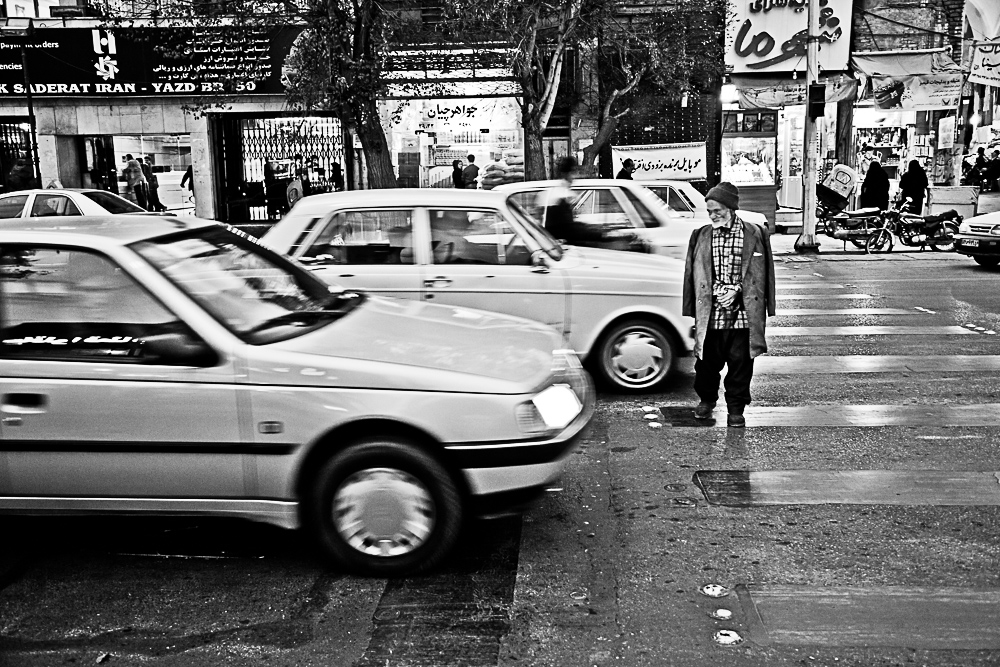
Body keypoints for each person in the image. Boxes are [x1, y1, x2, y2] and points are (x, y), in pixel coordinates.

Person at [682, 181, 775, 428]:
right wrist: (710, 295)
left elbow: (763, 275)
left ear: (731, 208)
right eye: (709, 211)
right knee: (706, 365)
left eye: (717, 211)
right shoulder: (700, 235)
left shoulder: (755, 234)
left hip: (743, 314)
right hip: (711, 313)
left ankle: (736, 409)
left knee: (741, 365)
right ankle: (707, 400)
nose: (712, 216)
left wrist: (737, 291)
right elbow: (693, 275)